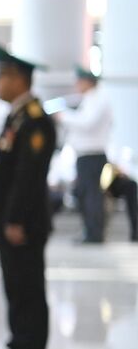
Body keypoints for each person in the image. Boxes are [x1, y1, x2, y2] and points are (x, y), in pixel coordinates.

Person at [0, 44, 57, 349]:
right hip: (8, 223)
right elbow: (1, 177)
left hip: (24, 225)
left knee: (29, 293)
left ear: (18, 79)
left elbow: (28, 178)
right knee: (14, 292)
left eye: (2, 76)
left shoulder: (36, 121)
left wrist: (13, 221)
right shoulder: (16, 117)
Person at [60, 66, 113, 243]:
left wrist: (64, 117)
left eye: (78, 81)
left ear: (87, 82)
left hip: (92, 155)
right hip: (86, 155)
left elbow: (87, 123)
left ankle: (94, 233)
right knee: (86, 195)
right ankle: (90, 231)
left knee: (92, 196)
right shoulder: (90, 99)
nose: (76, 85)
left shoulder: (97, 99)